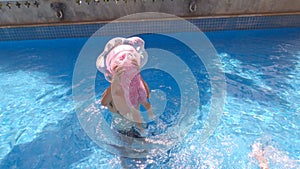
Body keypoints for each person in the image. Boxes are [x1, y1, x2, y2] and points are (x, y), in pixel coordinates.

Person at [96, 37, 154, 137]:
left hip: (138, 124)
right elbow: (104, 103)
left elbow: (147, 95)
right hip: (122, 131)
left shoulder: (135, 88)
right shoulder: (113, 92)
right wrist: (115, 82)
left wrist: (137, 73)